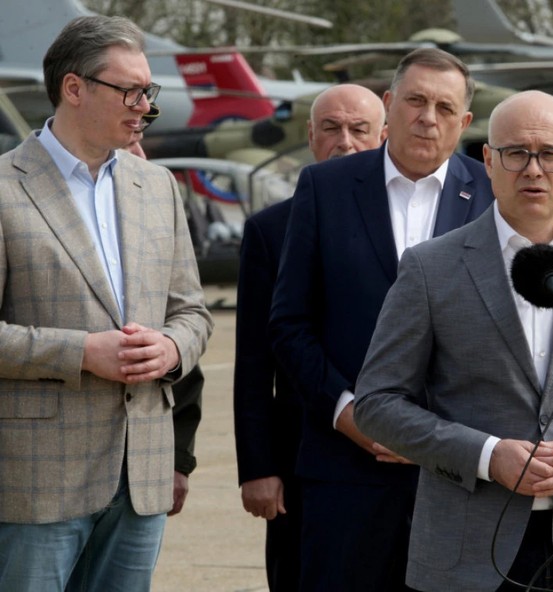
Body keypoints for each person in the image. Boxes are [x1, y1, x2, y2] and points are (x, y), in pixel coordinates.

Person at [353, 90, 553, 592]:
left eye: (549, 154)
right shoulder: (430, 266)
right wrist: (487, 455)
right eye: (516, 153)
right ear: (488, 160)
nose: (533, 170)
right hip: (465, 551)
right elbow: (377, 403)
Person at [0, 15, 213, 592]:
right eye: (131, 91)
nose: (146, 106)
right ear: (74, 88)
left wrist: (171, 347)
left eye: (149, 91)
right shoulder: (5, 188)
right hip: (38, 482)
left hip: (141, 475)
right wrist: (81, 352)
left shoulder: (158, 187)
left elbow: (193, 312)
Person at [269, 48, 495, 592]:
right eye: (415, 101)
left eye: (445, 107)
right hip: (345, 475)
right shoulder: (324, 188)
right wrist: (350, 413)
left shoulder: (494, 194)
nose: (428, 117)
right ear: (389, 105)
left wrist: (449, 434)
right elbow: (289, 324)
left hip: (461, 479)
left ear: (464, 121)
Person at [233, 83, 387, 592]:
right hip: (302, 459)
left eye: (360, 129)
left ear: (384, 135)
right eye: (331, 128)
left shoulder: (411, 220)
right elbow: (255, 361)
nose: (345, 141)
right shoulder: (270, 229)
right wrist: (258, 467)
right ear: (310, 135)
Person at [124, 104, 204, 518]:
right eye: (128, 145)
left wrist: (178, 458)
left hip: (145, 473)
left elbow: (186, 329)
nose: (138, 156)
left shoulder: (157, 200)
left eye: (139, 142)